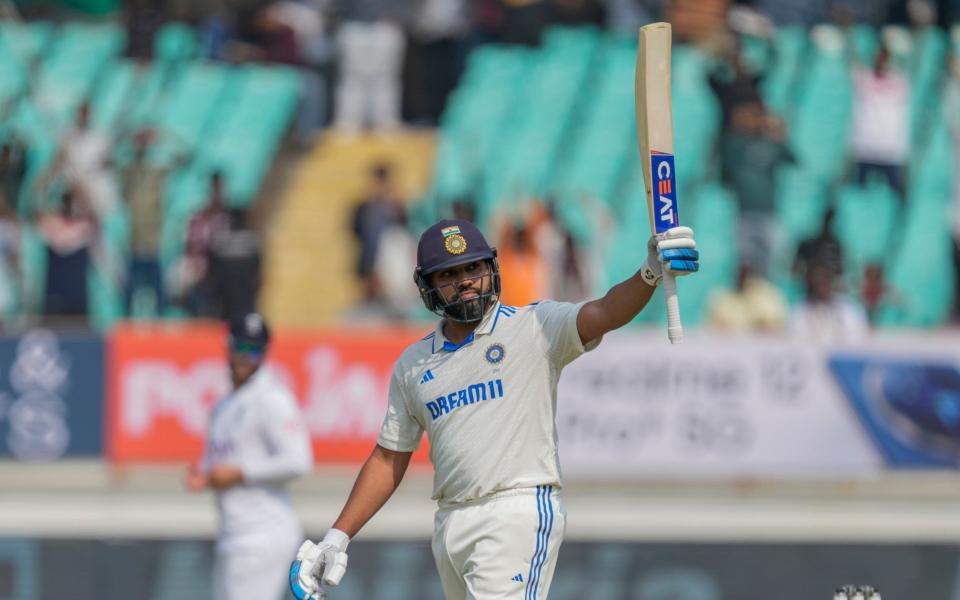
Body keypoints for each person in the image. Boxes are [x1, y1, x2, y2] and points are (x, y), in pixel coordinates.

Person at [289, 218, 699, 600]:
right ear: (427, 286)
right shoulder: (414, 365)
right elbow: (388, 458)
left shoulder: (534, 326)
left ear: (490, 268)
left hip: (516, 511)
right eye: (448, 275)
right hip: (450, 522)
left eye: (473, 268)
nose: (465, 282)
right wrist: (337, 537)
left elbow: (604, 313)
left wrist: (649, 272)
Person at [186, 312, 313, 600]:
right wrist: (202, 477)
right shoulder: (223, 407)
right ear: (228, 347)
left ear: (264, 354)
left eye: (253, 351)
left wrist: (240, 472)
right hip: (233, 533)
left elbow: (299, 461)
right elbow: (218, 466)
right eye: (240, 348)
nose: (245, 357)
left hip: (263, 534)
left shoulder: (272, 398)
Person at [849, 43, 909, 201]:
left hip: (891, 148)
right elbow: (851, 58)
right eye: (878, 58)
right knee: (856, 194)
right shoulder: (864, 78)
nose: (881, 62)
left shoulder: (899, 81)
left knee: (897, 197)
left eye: (885, 59)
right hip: (865, 146)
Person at [790, 261, 869, 342]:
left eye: (826, 277)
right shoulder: (800, 309)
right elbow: (797, 340)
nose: (822, 283)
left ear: (832, 279)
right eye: (817, 279)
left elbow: (858, 338)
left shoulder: (850, 309)